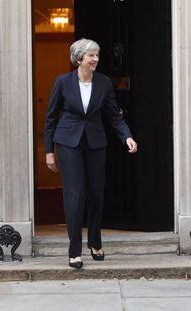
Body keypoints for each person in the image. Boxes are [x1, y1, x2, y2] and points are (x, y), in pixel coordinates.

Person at [44, 38, 138, 269]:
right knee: (75, 196)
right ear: (79, 59)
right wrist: (49, 152)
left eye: (96, 55)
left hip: (96, 144)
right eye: (91, 56)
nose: (95, 59)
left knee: (96, 194)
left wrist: (126, 135)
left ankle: (95, 241)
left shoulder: (104, 83)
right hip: (68, 144)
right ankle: (74, 250)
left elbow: (114, 116)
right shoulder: (63, 82)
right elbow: (51, 118)